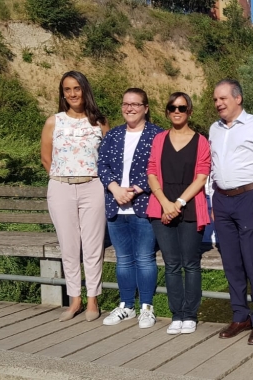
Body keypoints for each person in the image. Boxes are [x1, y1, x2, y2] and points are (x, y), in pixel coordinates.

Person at [209, 79, 253, 345]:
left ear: (238, 98)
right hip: (222, 201)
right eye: (215, 100)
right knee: (231, 263)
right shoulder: (214, 129)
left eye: (223, 98)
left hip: (250, 197)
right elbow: (212, 167)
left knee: (252, 261)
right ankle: (240, 316)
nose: (218, 104)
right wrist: (213, 201)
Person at [40, 71, 109, 322]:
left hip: (93, 187)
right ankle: (74, 300)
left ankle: (93, 299)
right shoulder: (53, 122)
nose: (72, 94)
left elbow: (107, 159)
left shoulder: (99, 122)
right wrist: (64, 178)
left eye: (77, 88)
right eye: (67, 89)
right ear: (63, 93)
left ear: (85, 90)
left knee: (93, 246)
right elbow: (46, 158)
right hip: (61, 188)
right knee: (69, 247)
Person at [98, 88, 163, 329]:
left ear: (146, 108)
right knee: (123, 259)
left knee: (145, 259)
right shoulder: (113, 135)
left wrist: (136, 189)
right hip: (116, 206)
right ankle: (126, 306)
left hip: (143, 206)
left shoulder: (157, 135)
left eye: (136, 104)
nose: (130, 108)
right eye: (126, 104)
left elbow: (160, 168)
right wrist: (115, 189)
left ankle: (147, 307)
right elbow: (101, 165)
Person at [147, 92, 211, 335]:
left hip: (191, 207)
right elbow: (151, 171)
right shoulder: (159, 139)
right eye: (172, 107)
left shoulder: (201, 141)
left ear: (189, 112)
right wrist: (165, 203)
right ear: (166, 111)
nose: (177, 111)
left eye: (182, 108)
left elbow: (202, 177)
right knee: (172, 264)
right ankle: (177, 314)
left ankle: (190, 314)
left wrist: (178, 203)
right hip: (162, 207)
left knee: (191, 264)